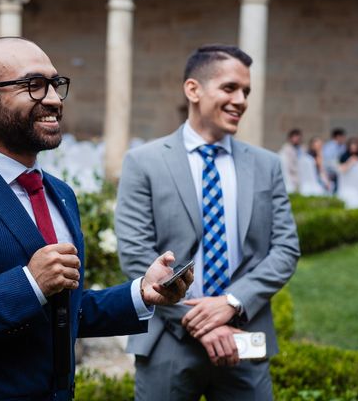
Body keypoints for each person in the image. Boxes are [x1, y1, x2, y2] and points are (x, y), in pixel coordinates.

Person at [0, 37, 193, 401]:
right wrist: (28, 284)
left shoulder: (60, 193)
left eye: (54, 84)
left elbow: (62, 311)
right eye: (33, 85)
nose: (53, 98)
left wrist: (141, 293)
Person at [116, 44, 300, 401]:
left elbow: (286, 249)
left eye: (246, 91)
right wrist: (198, 322)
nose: (241, 100)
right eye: (230, 88)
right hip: (167, 339)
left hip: (243, 339)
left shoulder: (267, 165)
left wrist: (232, 303)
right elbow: (135, 253)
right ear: (193, 90)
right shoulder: (144, 162)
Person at [278, 128, 303, 193]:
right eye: (295, 137)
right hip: (290, 179)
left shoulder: (300, 149)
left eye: (298, 137)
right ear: (290, 138)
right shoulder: (285, 150)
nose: (297, 139)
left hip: (298, 178)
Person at [322, 128, 346, 192]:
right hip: (330, 171)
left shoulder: (343, 146)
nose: (344, 139)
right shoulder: (329, 146)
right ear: (338, 136)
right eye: (343, 137)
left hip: (339, 170)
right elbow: (327, 161)